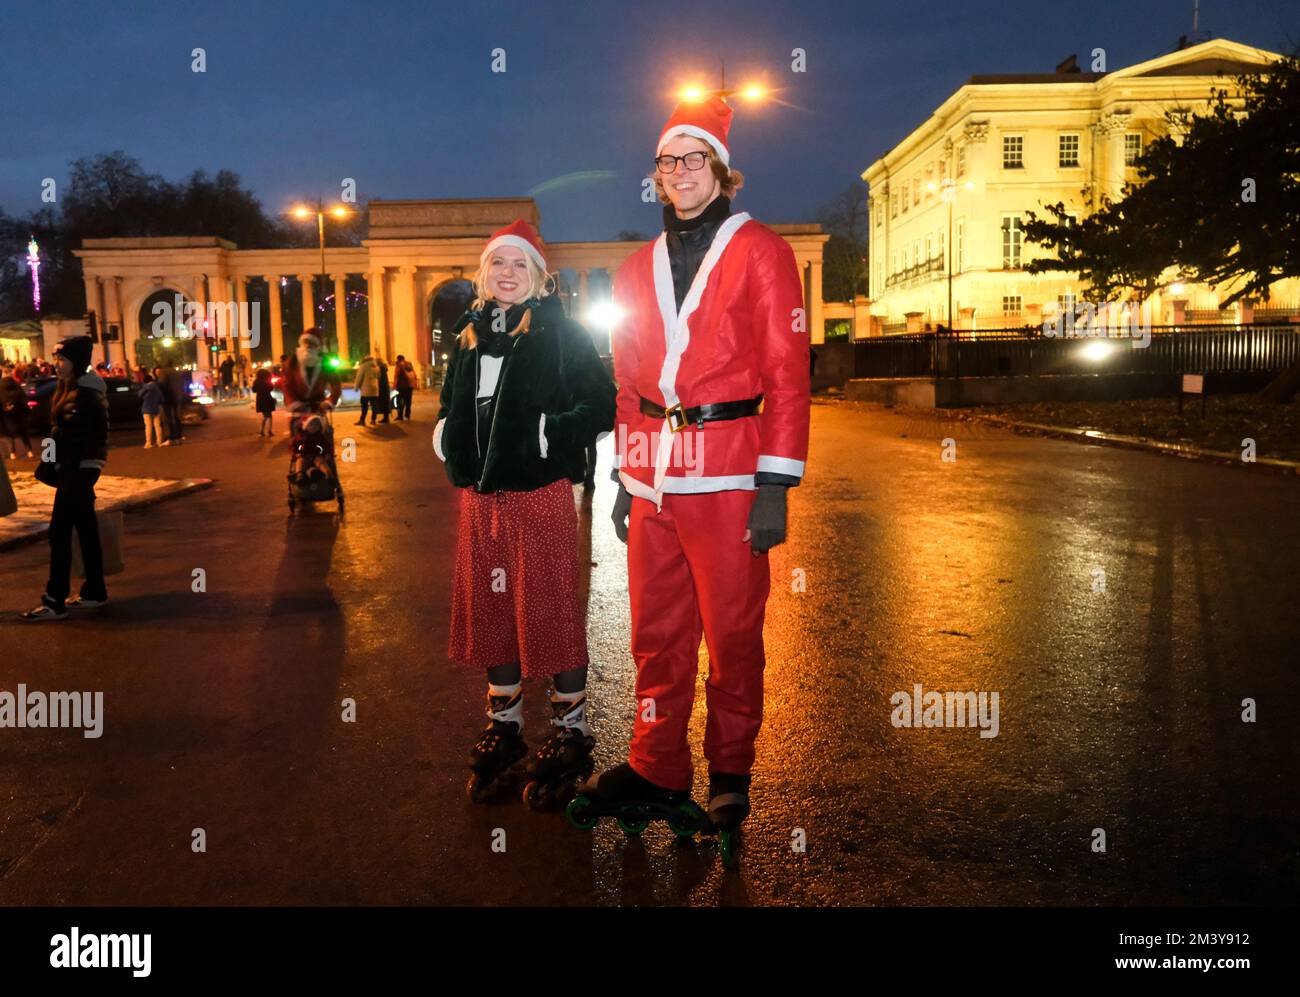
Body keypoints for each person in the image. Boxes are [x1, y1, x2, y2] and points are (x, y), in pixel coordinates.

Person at [579, 97, 810, 847]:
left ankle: (731, 773)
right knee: (656, 633)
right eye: (667, 161)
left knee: (734, 633)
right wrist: (624, 475)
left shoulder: (763, 251)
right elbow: (627, 386)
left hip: (732, 475)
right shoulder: (631, 267)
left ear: (721, 170)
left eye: (693, 159)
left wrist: (774, 483)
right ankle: (656, 763)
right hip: (654, 483)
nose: (679, 173)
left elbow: (787, 371)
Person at [434, 219, 616, 804]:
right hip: (479, 499)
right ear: (483, 275)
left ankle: (571, 731)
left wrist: (548, 434)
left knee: (549, 609)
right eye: (497, 265)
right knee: (493, 610)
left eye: (519, 265)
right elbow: (450, 399)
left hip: (539, 495)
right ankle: (505, 725)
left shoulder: (560, 332)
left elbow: (600, 403)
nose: (507, 274)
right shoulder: (466, 333)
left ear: (538, 277)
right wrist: (446, 432)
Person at [21, 336, 110, 621]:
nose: (57, 364)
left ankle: (54, 600)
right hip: (77, 470)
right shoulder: (68, 389)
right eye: (57, 359)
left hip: (78, 471)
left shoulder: (84, 395)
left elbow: (70, 438)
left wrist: (56, 464)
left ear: (77, 362)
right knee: (85, 530)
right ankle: (94, 591)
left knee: (59, 532)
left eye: (62, 359)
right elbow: (58, 433)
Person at [281, 329, 342, 429]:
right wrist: (294, 403)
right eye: (305, 342)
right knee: (296, 439)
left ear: (318, 346)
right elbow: (286, 385)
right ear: (301, 344)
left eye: (312, 343)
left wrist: (329, 402)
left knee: (325, 437)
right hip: (298, 410)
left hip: (318, 408)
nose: (308, 345)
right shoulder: (291, 363)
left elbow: (336, 385)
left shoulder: (326, 363)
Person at [1, 365, 34, 459]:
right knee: (24, 434)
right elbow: (24, 400)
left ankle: (12, 453)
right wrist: (26, 412)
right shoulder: (17, 386)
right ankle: (29, 451)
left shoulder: (0, 387)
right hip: (18, 415)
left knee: (8, 435)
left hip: (6, 416)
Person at [159, 360, 186, 445]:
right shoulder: (177, 373)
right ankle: (178, 436)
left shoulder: (163, 372)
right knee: (177, 417)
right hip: (178, 397)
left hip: (167, 398)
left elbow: (162, 383)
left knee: (167, 418)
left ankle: (170, 438)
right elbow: (182, 384)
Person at [353, 354, 380, 425]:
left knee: (364, 406)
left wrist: (356, 387)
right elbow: (379, 376)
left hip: (366, 389)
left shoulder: (363, 366)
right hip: (375, 389)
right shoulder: (377, 367)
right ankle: (373, 420)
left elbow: (359, 377)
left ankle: (362, 420)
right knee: (375, 406)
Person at [139, 374, 164, 448]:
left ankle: (148, 443)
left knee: (148, 426)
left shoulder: (145, 388)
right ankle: (159, 442)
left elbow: (139, 395)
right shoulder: (157, 388)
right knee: (157, 426)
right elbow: (162, 399)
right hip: (155, 408)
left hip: (146, 409)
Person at [253, 367, 276, 436]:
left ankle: (263, 431)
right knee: (269, 415)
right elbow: (271, 388)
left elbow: (254, 390)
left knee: (265, 415)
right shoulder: (267, 381)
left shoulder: (256, 381)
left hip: (260, 399)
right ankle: (268, 430)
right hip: (268, 398)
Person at [393, 354, 414, 421]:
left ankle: (400, 416)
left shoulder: (399, 365)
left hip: (401, 386)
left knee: (400, 401)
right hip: (409, 386)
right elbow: (413, 374)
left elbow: (396, 376)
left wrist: (394, 386)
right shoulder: (409, 364)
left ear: (398, 359)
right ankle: (407, 415)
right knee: (408, 401)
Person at [375, 358, 392, 424]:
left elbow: (380, 379)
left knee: (383, 402)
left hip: (382, 388)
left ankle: (385, 418)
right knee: (385, 402)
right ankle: (386, 417)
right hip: (385, 388)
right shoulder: (384, 368)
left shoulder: (381, 369)